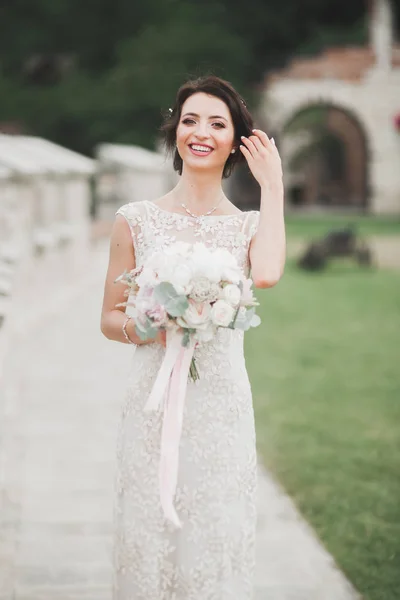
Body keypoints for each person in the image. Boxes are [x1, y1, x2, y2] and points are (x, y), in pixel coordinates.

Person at [100, 74, 285, 599]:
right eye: (190, 120)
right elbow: (109, 318)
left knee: (213, 535)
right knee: (148, 535)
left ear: (234, 142)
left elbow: (267, 272)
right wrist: (144, 327)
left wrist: (272, 185)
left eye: (217, 123)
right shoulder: (135, 221)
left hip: (222, 404)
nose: (201, 132)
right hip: (150, 403)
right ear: (175, 134)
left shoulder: (247, 227)